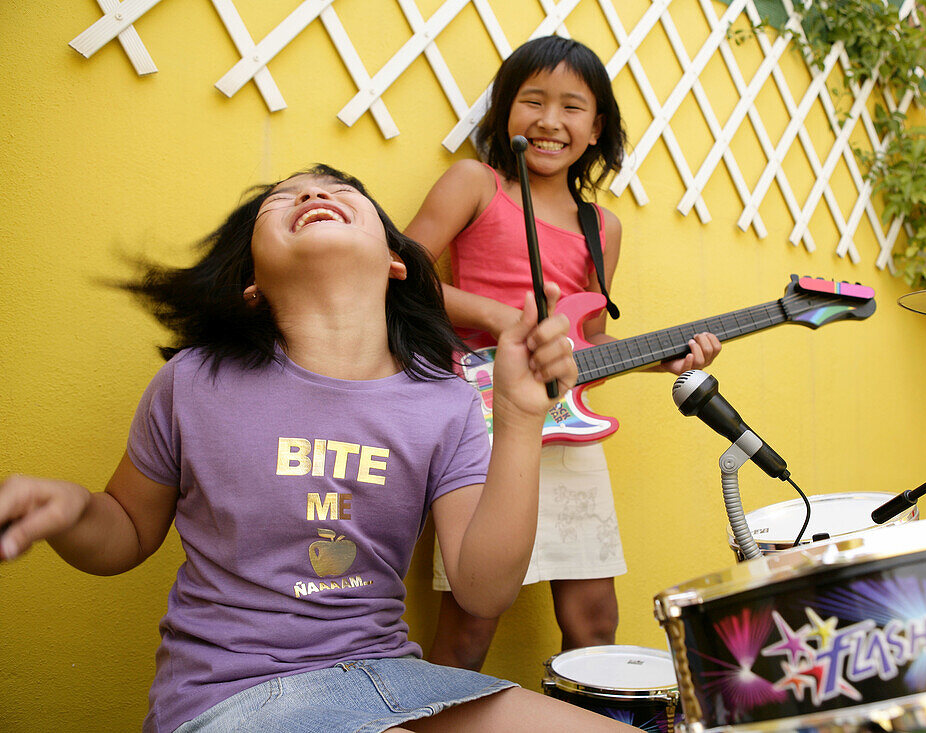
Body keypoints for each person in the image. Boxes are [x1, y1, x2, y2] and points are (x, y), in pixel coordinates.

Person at [0, 164, 637, 733]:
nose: (311, 192)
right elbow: (124, 532)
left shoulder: (445, 401)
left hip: (397, 683)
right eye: (281, 200)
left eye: (341, 192)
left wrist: (522, 419)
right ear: (250, 280)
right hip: (233, 696)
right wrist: (74, 509)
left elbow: (481, 591)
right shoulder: (192, 382)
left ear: (395, 261)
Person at [405, 36, 721, 671]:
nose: (551, 121)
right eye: (533, 101)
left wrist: (658, 356)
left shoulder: (602, 228)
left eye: (573, 107)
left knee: (595, 620)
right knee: (470, 627)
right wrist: (500, 317)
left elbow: (587, 341)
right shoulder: (475, 182)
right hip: (482, 423)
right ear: (505, 112)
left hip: (566, 428)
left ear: (597, 125)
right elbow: (398, 275)